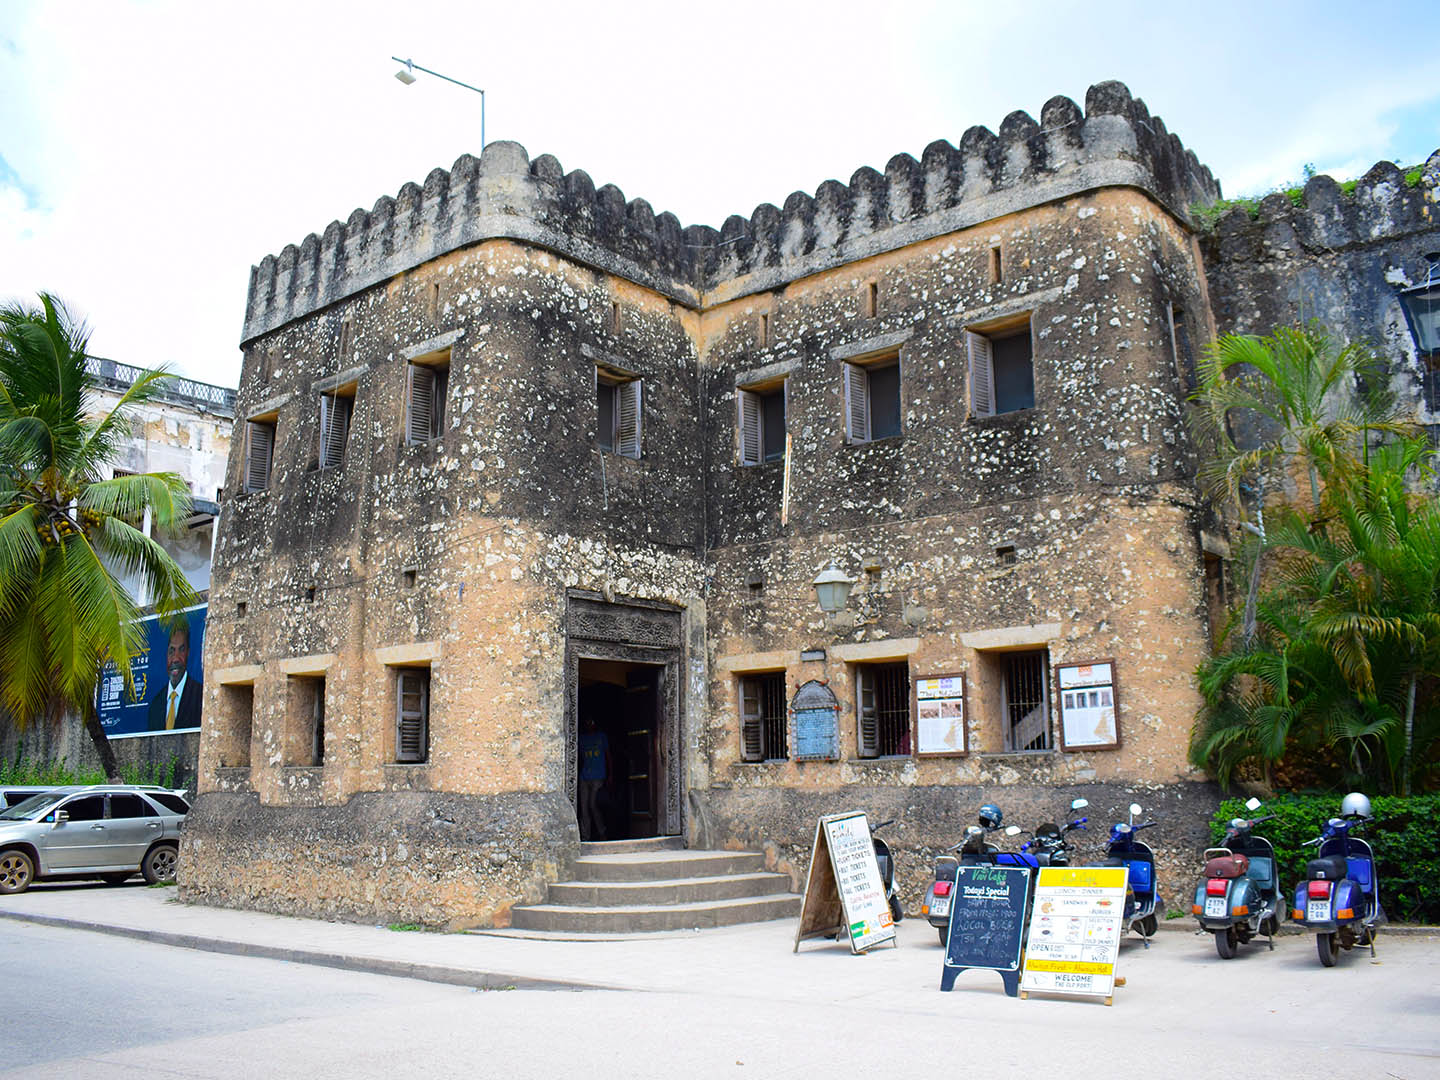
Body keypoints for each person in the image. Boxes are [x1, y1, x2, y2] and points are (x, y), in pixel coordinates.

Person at [147, 623, 202, 731]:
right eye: (171, 651)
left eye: (181, 650)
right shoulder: (156, 704)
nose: (176, 659)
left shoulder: (200, 695)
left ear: (188, 653)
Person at [577, 714, 611, 840]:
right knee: (584, 808)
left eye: (591, 722)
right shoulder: (581, 739)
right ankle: (585, 836)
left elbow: (608, 756)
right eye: (587, 722)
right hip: (584, 777)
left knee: (593, 805)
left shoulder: (601, 737)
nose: (589, 725)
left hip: (598, 776)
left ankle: (602, 833)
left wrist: (610, 775)